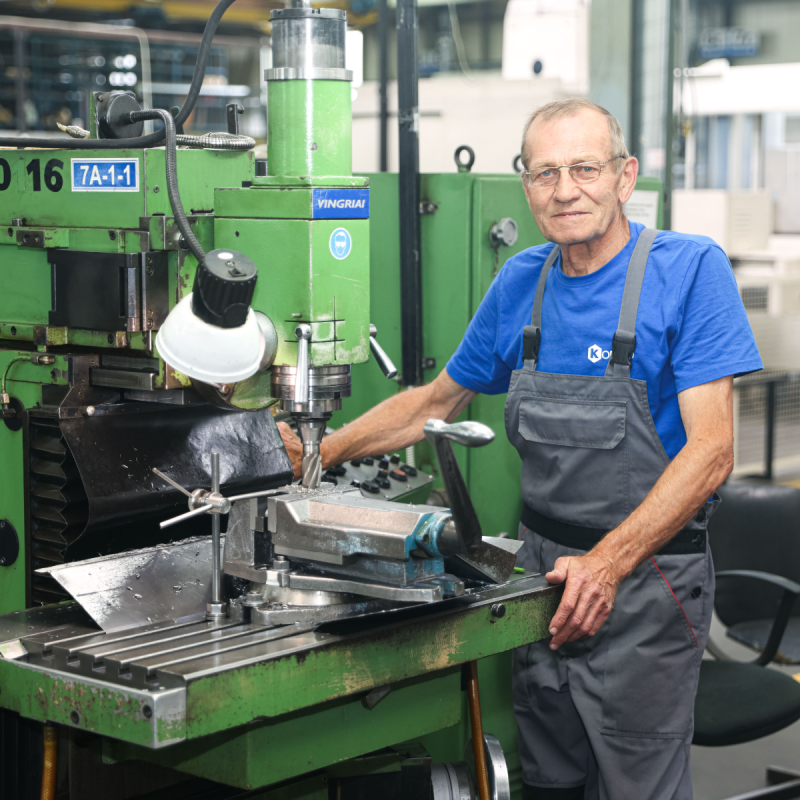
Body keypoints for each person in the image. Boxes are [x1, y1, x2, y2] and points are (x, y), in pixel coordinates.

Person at [279, 98, 762, 800]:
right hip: (540, 581)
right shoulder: (521, 282)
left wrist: (607, 564)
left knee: (638, 785)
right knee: (549, 778)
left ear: (625, 177)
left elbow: (712, 451)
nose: (565, 190)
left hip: (646, 581)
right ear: (526, 185)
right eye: (545, 173)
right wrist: (320, 452)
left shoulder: (689, 271)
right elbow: (436, 402)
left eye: (584, 168)